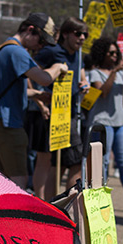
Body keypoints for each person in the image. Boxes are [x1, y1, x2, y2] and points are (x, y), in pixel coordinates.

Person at [0, 12, 67, 189]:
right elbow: (44, 78)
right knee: (18, 181)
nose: (41, 47)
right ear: (30, 30)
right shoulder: (17, 51)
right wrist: (58, 67)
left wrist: (35, 94)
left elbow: (6, 90)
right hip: (8, 124)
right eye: (41, 40)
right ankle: (16, 216)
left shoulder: (4, 48)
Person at [31, 17, 90, 200]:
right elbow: (30, 72)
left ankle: (57, 204)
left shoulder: (79, 56)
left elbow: (81, 78)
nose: (82, 38)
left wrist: (84, 84)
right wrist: (39, 99)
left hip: (70, 114)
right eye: (78, 33)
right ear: (65, 33)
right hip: (51, 114)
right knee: (50, 161)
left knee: (65, 163)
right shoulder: (51, 52)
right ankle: (46, 203)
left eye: (85, 35)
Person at [86, 35, 123, 211]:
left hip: (120, 122)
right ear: (102, 54)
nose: (114, 56)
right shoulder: (95, 73)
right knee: (103, 162)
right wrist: (114, 72)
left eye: (116, 53)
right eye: (111, 53)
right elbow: (103, 92)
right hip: (102, 122)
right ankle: (100, 201)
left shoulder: (122, 73)